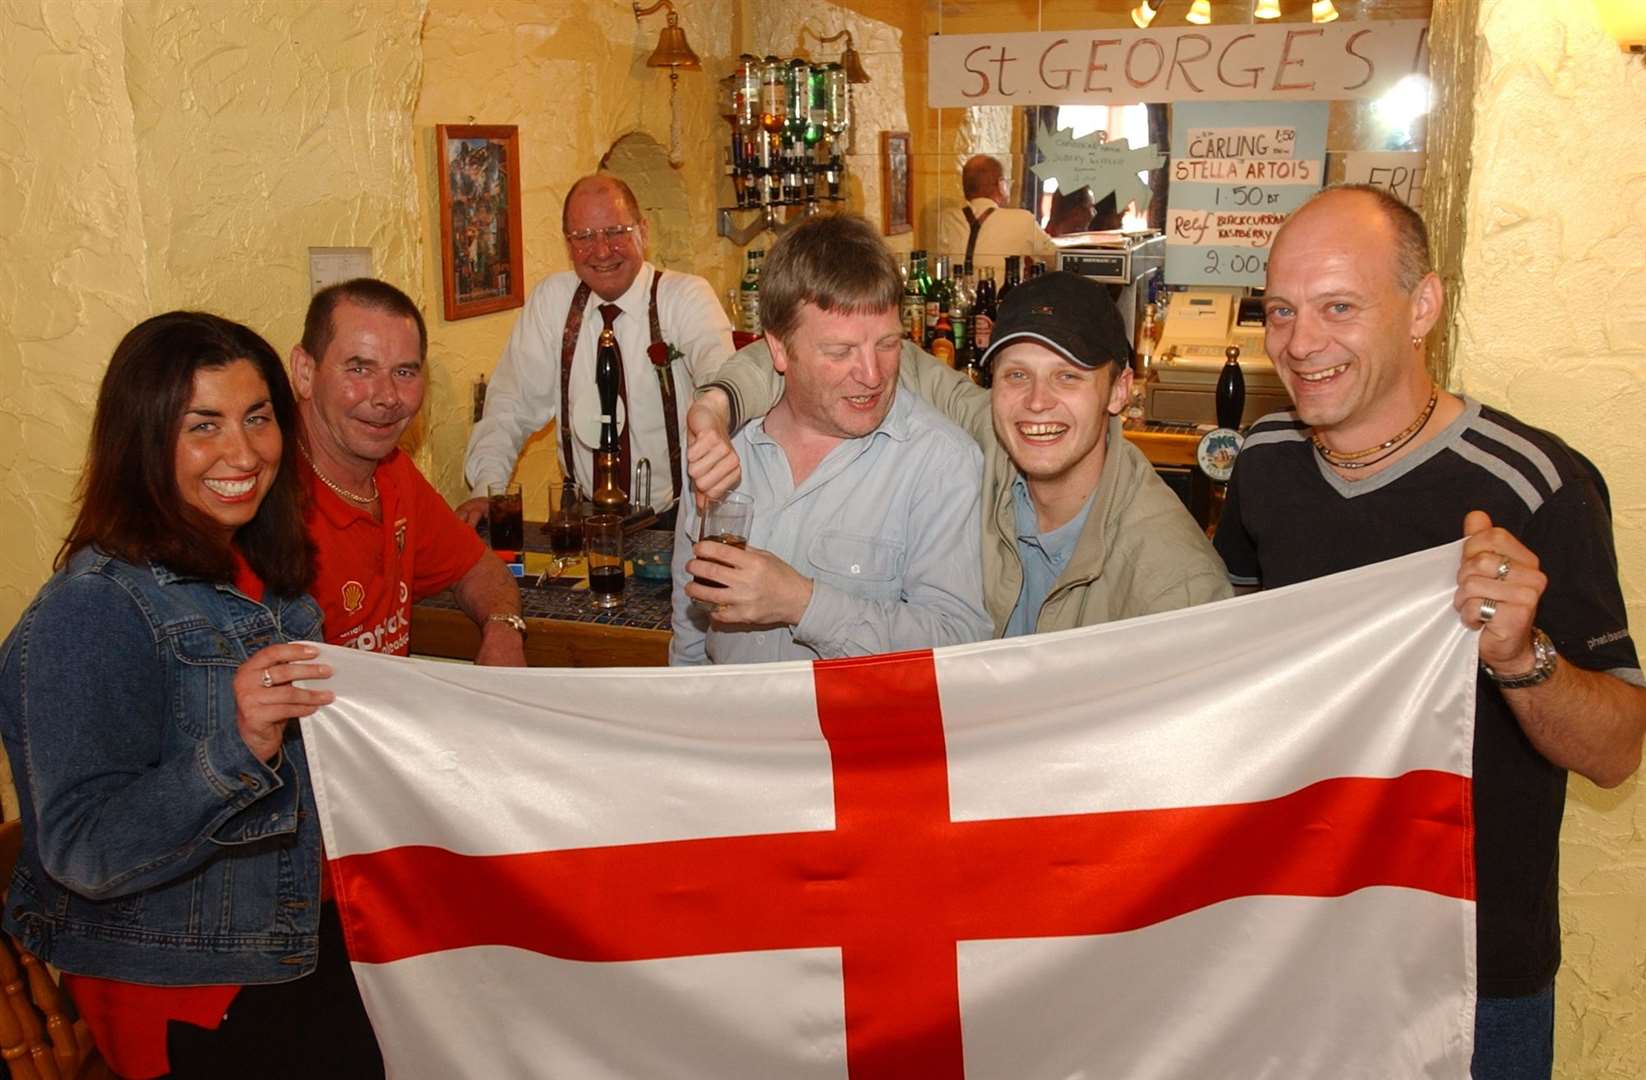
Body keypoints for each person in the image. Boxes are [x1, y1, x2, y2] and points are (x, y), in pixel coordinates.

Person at [1214, 184, 1646, 1078]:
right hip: (1293, 941)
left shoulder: (1535, 484)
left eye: (1339, 307)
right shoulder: (1265, 461)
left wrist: (1523, 659)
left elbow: (1616, 749)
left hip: (1471, 968)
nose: (1300, 343)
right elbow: (1232, 665)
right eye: (1282, 311)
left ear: (1422, 308)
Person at [0, 312, 381, 1078]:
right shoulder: (91, 609)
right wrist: (238, 746)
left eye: (258, 418)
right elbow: (82, 852)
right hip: (186, 983)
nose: (242, 453)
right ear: (143, 441)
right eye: (202, 426)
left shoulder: (259, 573)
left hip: (289, 932)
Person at [692, 271, 1230, 635]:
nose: (1038, 403)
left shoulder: (1174, 579)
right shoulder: (994, 432)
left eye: (1068, 377)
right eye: (1017, 374)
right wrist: (716, 407)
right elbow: (832, 347)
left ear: (1118, 391)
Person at [669, 212, 992, 665]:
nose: (873, 375)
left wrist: (802, 603)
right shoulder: (722, 446)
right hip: (730, 728)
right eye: (840, 351)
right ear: (778, 349)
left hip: (857, 736)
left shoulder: (939, 460)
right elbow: (690, 628)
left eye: (887, 343)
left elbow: (958, 644)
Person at [461, 174, 735, 521]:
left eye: (616, 232)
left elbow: (721, 377)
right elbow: (509, 408)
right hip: (584, 518)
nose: (602, 250)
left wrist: (713, 417)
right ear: (568, 244)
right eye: (584, 237)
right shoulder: (553, 302)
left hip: (678, 518)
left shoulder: (685, 298)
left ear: (643, 232)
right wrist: (489, 490)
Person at [291, 279, 526, 664]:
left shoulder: (392, 470)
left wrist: (504, 629)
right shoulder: (265, 501)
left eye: (404, 372)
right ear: (305, 372)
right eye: (359, 369)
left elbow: (478, 566)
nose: (386, 397)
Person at [938, 154, 1057, 277]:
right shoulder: (1022, 220)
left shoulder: (948, 219)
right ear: (1001, 184)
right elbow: (1055, 259)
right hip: (1003, 295)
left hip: (958, 295)